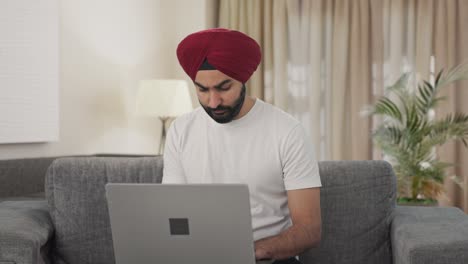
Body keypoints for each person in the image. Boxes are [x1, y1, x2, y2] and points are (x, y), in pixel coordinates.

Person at [162, 28, 321, 264]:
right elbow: (173, 213)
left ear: (243, 79)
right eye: (202, 89)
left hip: (268, 258)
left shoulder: (288, 131)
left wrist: (251, 252)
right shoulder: (180, 130)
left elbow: (309, 229)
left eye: (224, 88)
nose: (213, 102)